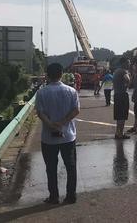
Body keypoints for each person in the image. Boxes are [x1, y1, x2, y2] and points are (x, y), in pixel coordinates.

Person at [35, 63, 80, 204]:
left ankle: (54, 197)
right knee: (70, 167)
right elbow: (76, 110)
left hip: (49, 138)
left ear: (48, 75)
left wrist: (51, 124)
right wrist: (62, 123)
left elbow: (40, 113)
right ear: (61, 74)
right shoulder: (71, 91)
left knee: (51, 168)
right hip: (68, 136)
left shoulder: (42, 92)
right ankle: (71, 196)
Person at [113, 57, 131, 139]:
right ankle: (121, 134)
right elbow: (128, 79)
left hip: (117, 94)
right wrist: (128, 84)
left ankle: (118, 132)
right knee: (123, 116)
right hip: (122, 95)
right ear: (124, 63)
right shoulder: (123, 71)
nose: (129, 64)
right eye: (128, 62)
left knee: (118, 115)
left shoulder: (116, 71)